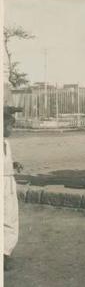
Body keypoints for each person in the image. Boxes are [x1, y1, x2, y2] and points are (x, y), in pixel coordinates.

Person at [4, 106, 23, 271]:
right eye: (9, 126)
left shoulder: (6, 143)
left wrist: (13, 164)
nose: (11, 130)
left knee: (10, 217)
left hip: (8, 183)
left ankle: (5, 253)